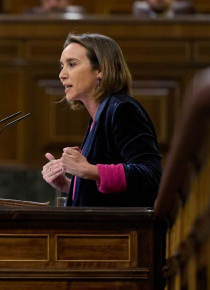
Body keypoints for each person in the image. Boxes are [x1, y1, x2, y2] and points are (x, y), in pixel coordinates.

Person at [41, 33, 162, 207]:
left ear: (100, 70)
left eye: (72, 64)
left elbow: (150, 175)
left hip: (121, 234)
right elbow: (111, 191)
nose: (62, 74)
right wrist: (69, 185)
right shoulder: (99, 115)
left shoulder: (122, 109)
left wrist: (87, 170)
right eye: (62, 66)